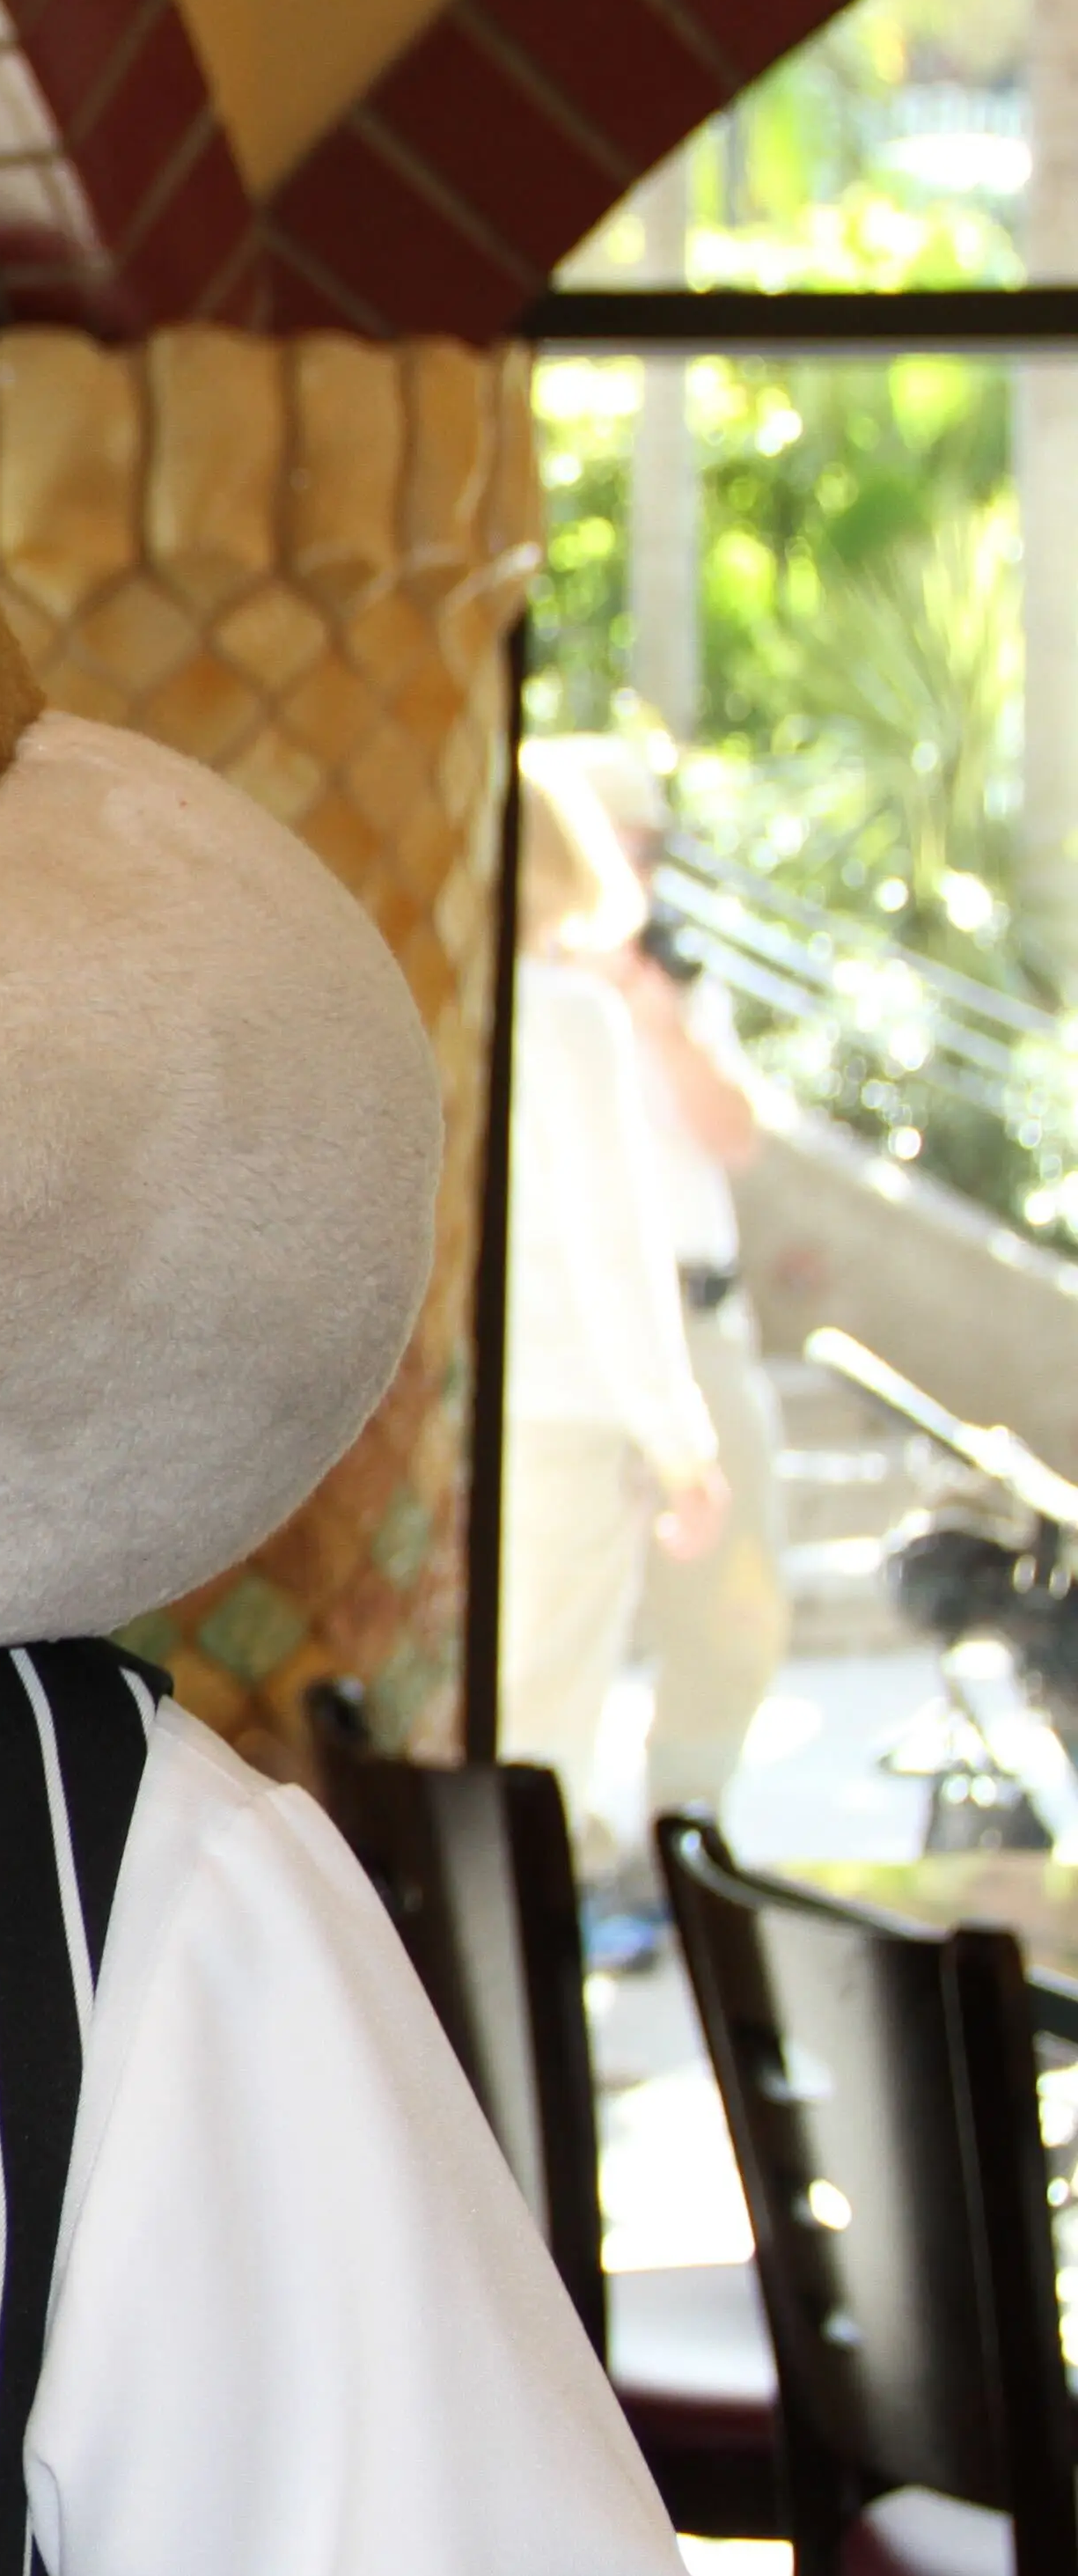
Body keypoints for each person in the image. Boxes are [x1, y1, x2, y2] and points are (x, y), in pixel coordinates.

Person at [539, 734, 789, 1825]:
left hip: (690, 1324)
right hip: (577, 1366)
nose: (641, 870)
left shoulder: (661, 989)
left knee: (733, 1604)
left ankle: (687, 1827)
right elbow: (600, 1236)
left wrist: (659, 1014)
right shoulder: (549, 1006)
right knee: (550, 1661)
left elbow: (736, 1135)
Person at [496, 745, 727, 1869]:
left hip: (479, 1409)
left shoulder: (452, 999)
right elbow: (615, 1247)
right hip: (569, 1417)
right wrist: (682, 1444)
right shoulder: (568, 1015)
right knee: (540, 1735)